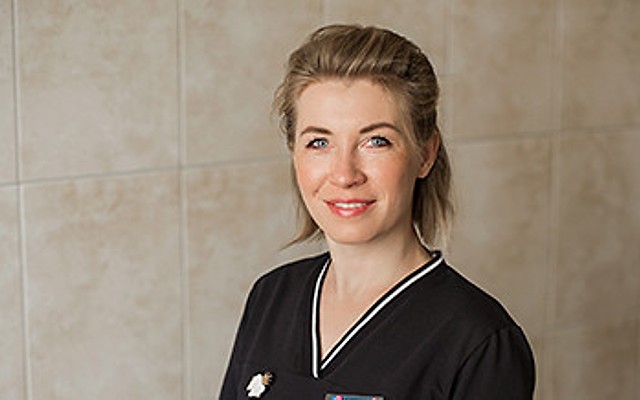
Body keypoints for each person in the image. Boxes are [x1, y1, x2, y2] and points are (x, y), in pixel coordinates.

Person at [219, 24, 535, 399]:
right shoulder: (272, 297)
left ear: (425, 154)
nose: (344, 174)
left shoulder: (478, 342)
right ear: (294, 153)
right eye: (319, 142)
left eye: (376, 141)